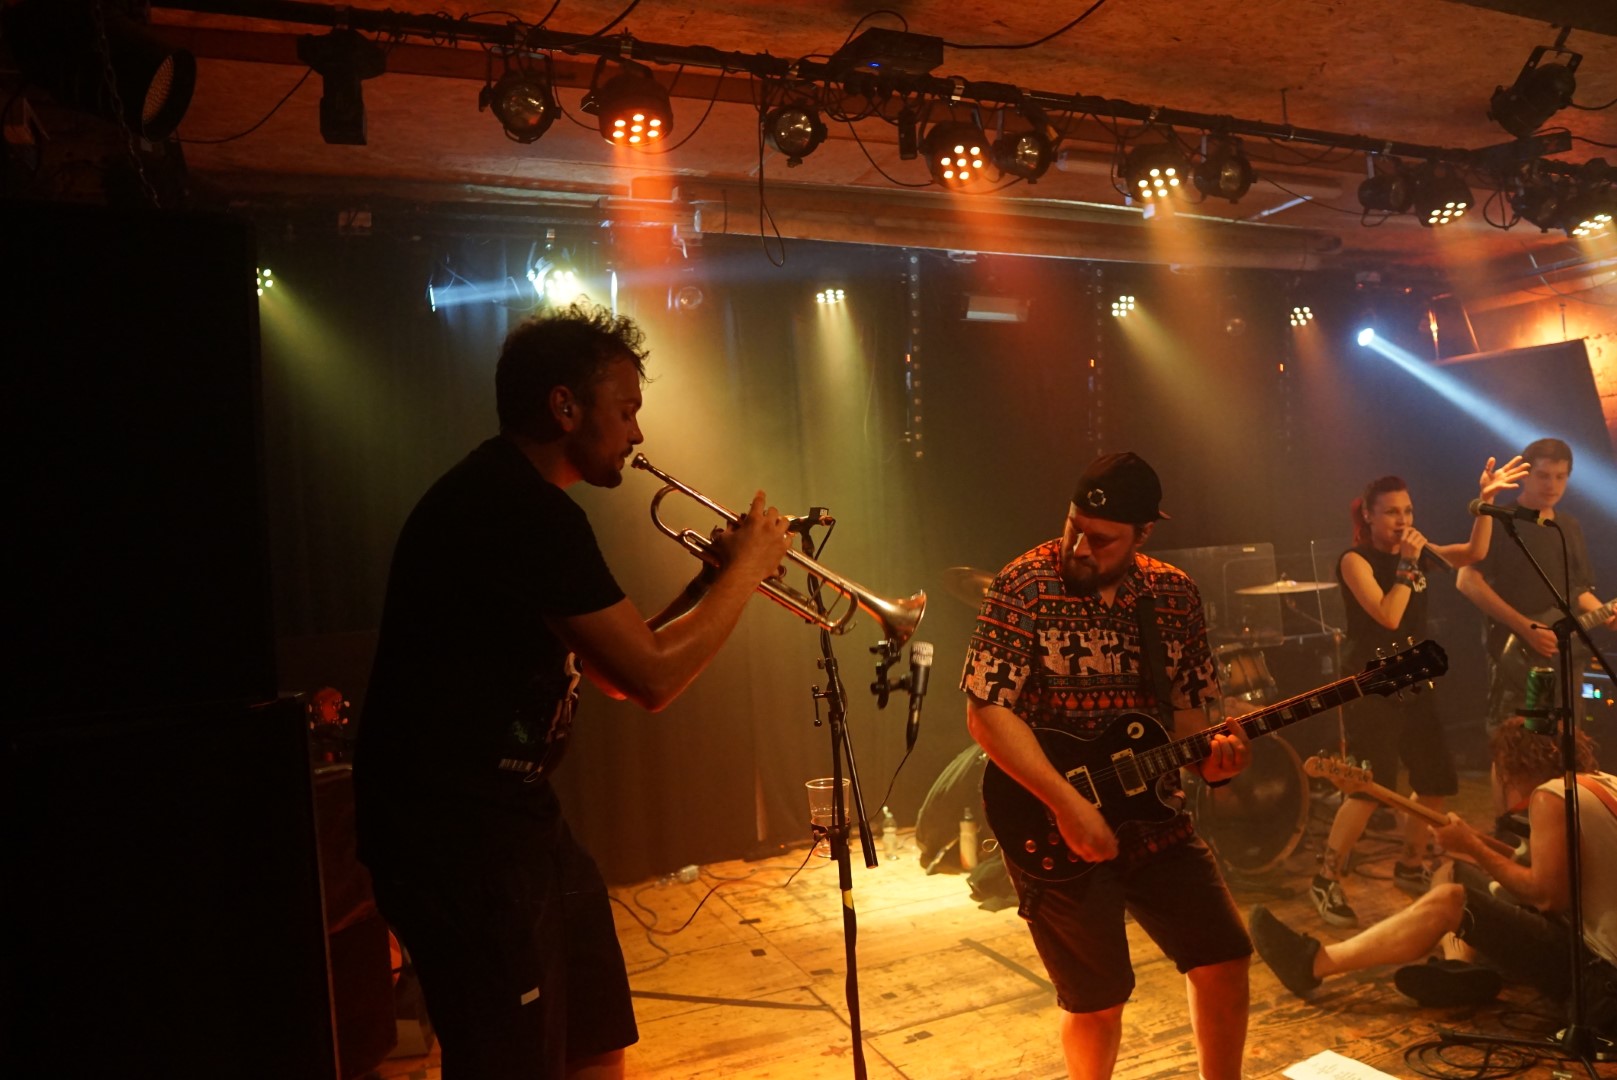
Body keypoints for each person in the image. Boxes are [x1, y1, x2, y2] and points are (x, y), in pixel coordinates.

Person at [352, 304, 794, 1080]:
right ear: (565, 407)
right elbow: (652, 679)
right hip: (454, 834)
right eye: (625, 410)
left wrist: (714, 581)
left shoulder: (518, 499)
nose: (636, 433)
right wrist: (749, 572)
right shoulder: (517, 510)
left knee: (595, 1030)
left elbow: (613, 672)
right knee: (509, 1060)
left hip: (516, 816)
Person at [962, 451, 1254, 1080]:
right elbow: (986, 712)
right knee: (1098, 1001)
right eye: (1074, 526)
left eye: (1101, 539)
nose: (1079, 547)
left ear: (1143, 534)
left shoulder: (1174, 594)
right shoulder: (1023, 584)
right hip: (1051, 819)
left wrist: (1216, 763)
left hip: (1155, 818)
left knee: (1225, 959)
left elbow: (1189, 718)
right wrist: (1070, 807)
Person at [1249, 716, 1617, 1011]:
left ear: (1511, 765)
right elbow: (1546, 871)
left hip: (1600, 984)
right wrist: (1471, 844)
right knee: (1451, 871)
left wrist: (1471, 844)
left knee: (1450, 900)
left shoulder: (1550, 798)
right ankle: (1459, 968)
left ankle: (1313, 964)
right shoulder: (1600, 786)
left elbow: (1546, 896)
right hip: (1595, 962)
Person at [1310, 458, 1529, 928]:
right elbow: (1388, 616)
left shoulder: (1418, 553)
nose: (1403, 520)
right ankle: (1326, 877)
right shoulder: (1355, 561)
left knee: (1435, 780)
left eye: (1407, 511)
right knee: (1372, 786)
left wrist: (1486, 502)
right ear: (1368, 516)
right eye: (1392, 512)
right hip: (1372, 683)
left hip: (1415, 677)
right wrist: (1410, 564)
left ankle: (1411, 864)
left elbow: (1474, 552)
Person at [1456, 437, 1616, 730]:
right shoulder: (1501, 519)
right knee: (1518, 742)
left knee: (1566, 737)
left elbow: (1577, 589)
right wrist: (1525, 627)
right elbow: (1466, 580)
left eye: (1560, 477)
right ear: (1525, 476)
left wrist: (1607, 614)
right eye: (1543, 475)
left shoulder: (1568, 526)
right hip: (1516, 655)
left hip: (1565, 656)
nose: (1552, 485)